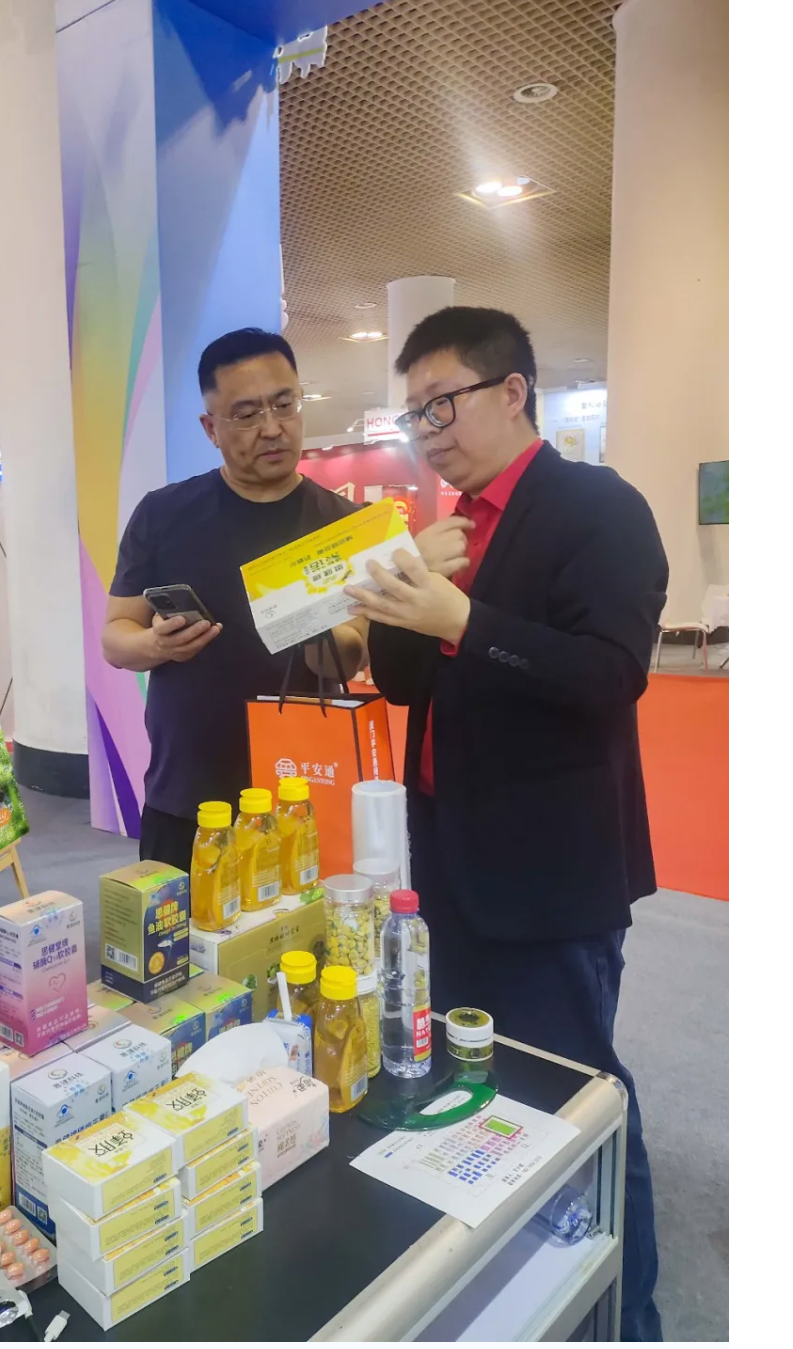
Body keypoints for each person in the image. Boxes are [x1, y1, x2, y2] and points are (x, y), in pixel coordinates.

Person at [345, 306, 666, 1342]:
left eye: (441, 403)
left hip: (551, 865)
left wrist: (465, 620)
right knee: (470, 1079)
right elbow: (405, 682)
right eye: (413, 414)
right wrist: (399, 593)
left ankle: (628, 1310)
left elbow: (609, 676)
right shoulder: (446, 525)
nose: (426, 431)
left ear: (513, 390)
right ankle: (502, 1286)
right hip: (449, 854)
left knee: (575, 1090)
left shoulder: (597, 508)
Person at [103, 327, 369, 873]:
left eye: (284, 404)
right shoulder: (163, 514)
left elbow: (349, 659)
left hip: (302, 793)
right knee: (181, 931)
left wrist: (312, 623)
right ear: (211, 428)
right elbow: (115, 639)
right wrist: (156, 644)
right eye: (246, 414)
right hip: (188, 795)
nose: (272, 428)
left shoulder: (344, 527)